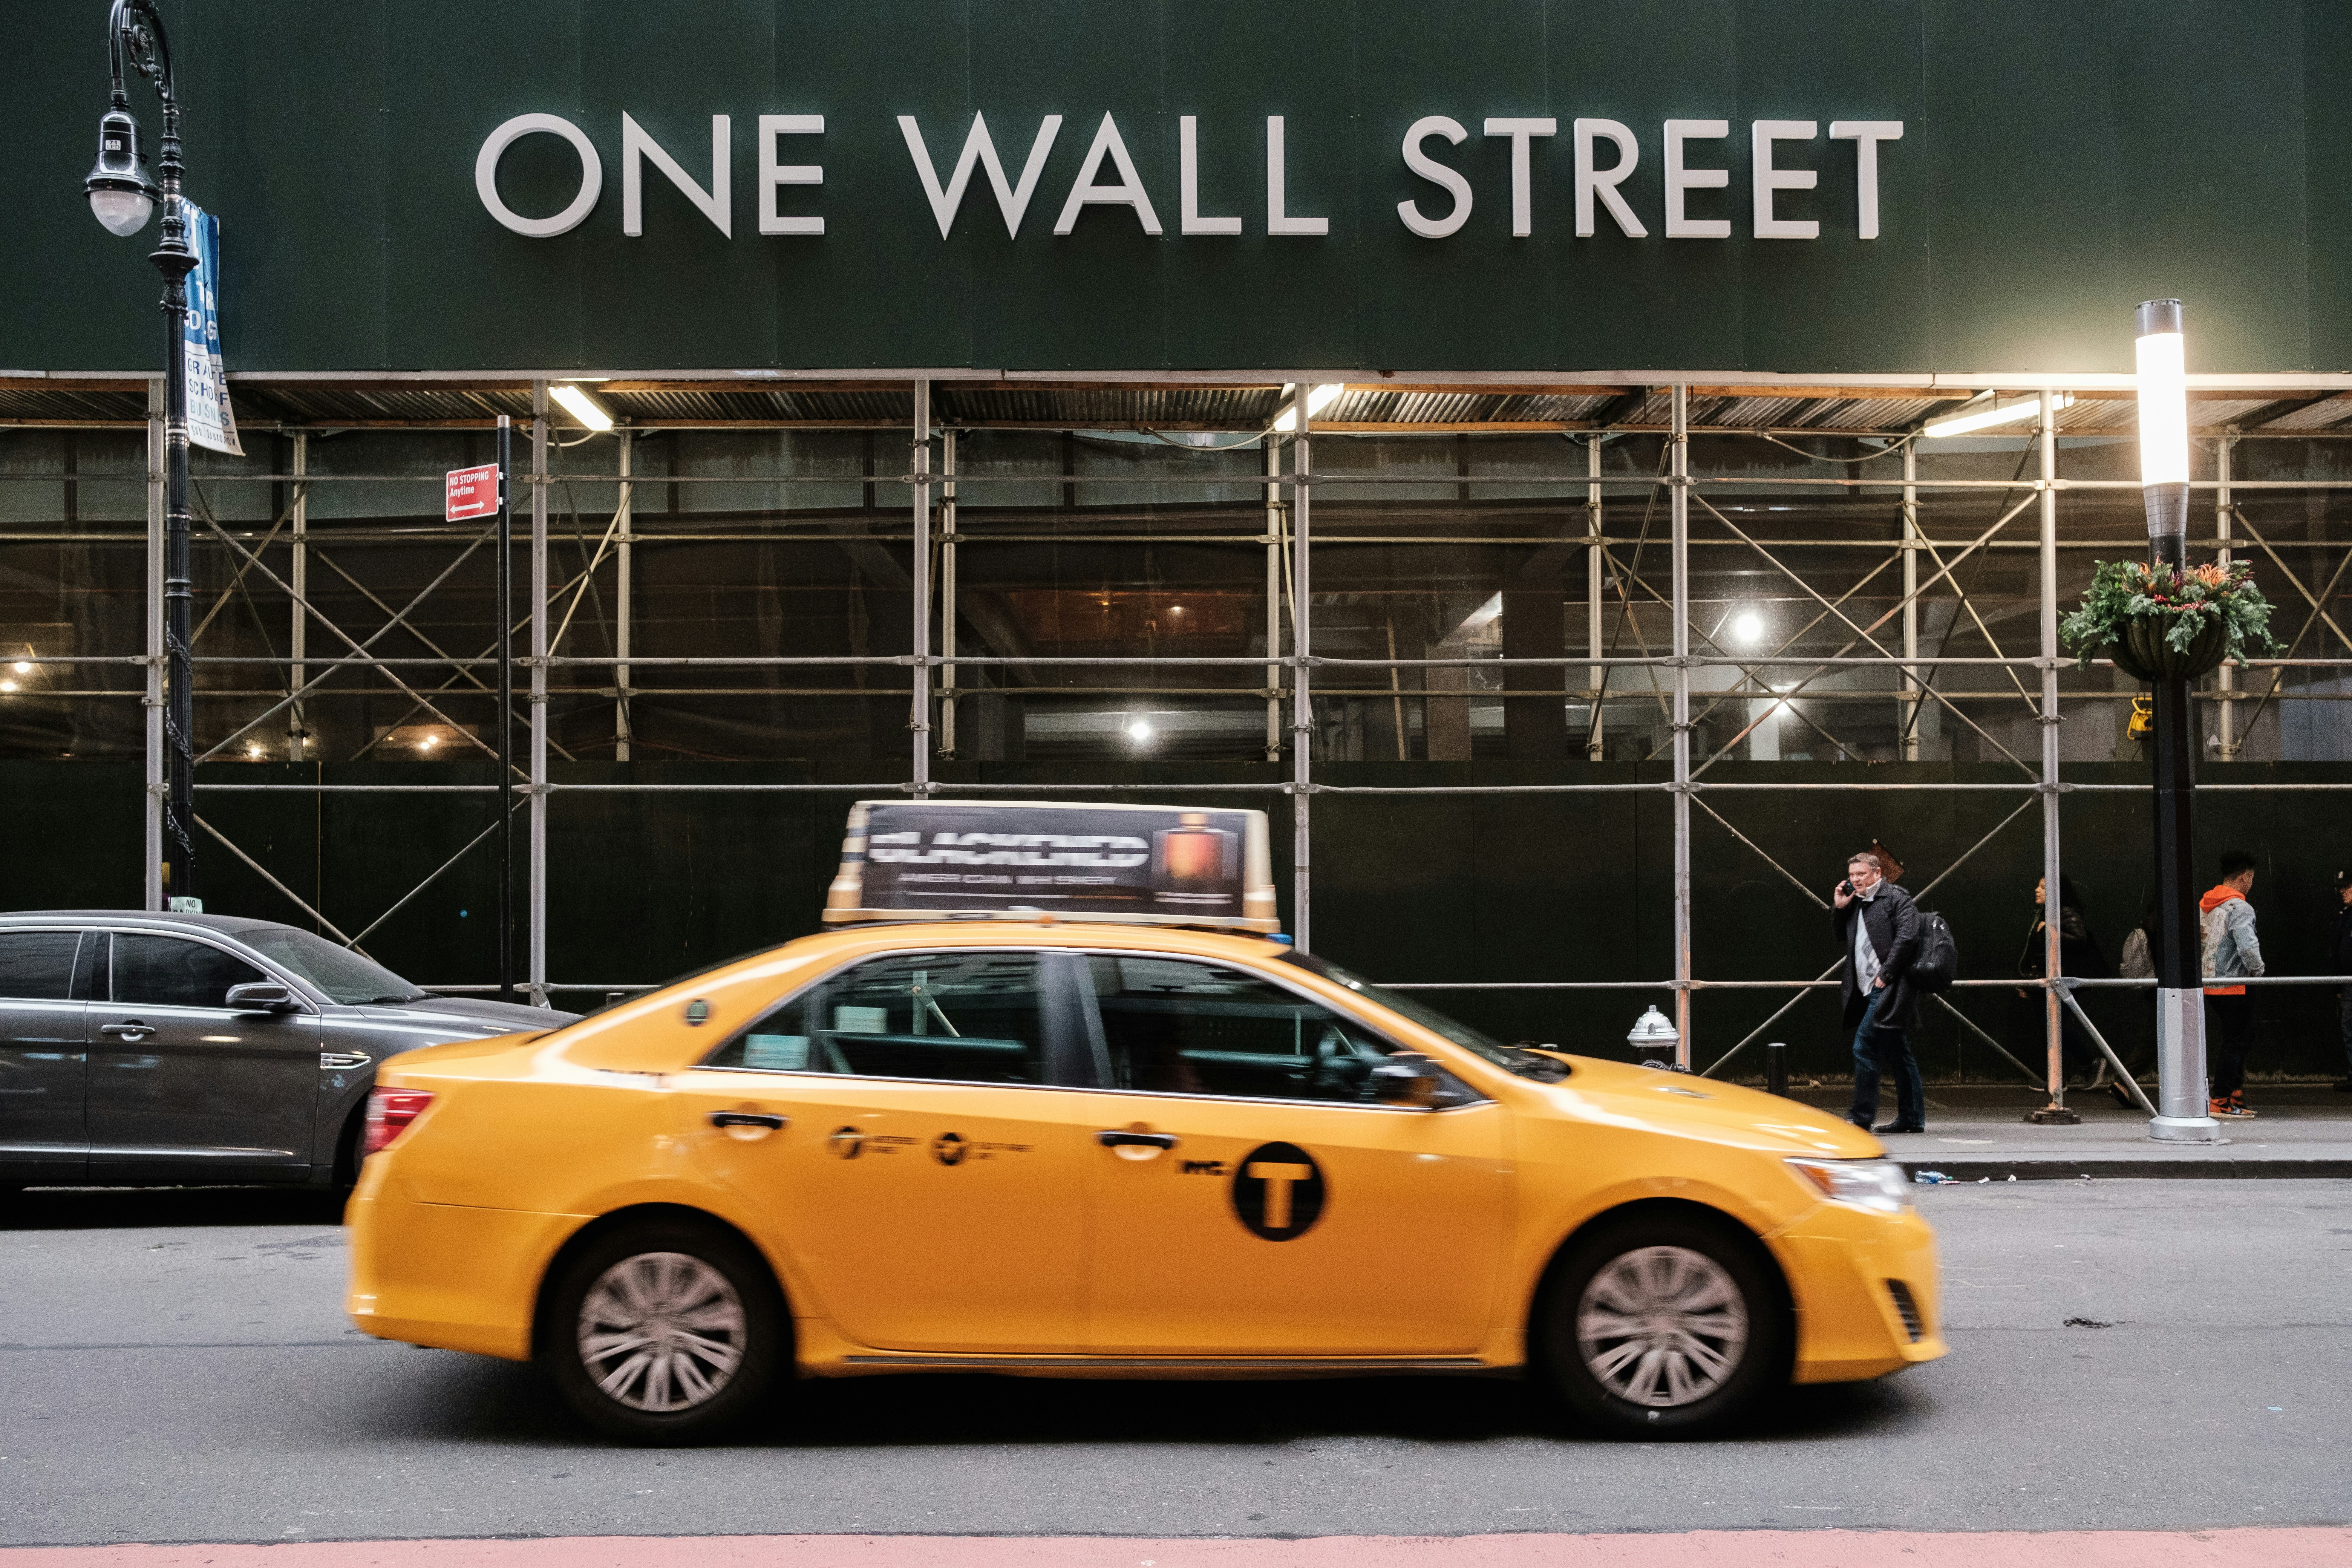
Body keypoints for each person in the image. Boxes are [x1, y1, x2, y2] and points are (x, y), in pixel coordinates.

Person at [1831, 850, 1925, 1134]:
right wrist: (1840, 906)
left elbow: (1908, 938)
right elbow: (1839, 935)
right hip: (1864, 987)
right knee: (1898, 1051)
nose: (1856, 880)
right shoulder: (1856, 903)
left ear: (1877, 874)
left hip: (1888, 987)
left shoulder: (1897, 898)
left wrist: (1887, 975)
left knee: (1864, 1046)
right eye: (1851, 876)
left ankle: (1861, 1118)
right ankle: (1911, 1118)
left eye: (1861, 874)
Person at [2016, 874, 2110, 1089]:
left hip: (2062, 981)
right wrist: (2028, 982)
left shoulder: (2065, 913)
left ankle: (2075, 1071)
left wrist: (2050, 931)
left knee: (2054, 1028)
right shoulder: (2044, 913)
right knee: (2049, 1028)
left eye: (2043, 887)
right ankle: (2067, 1073)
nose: (2037, 891)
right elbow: (2036, 954)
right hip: (2046, 981)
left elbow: (2079, 940)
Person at [2200, 850, 2266, 1119]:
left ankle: (2234, 1092)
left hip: (2209, 981)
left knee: (2238, 1038)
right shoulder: (2240, 908)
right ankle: (2222, 1100)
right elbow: (2248, 948)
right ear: (2246, 877)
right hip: (2235, 984)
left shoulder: (2207, 904)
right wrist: (2258, 971)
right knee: (2236, 1041)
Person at [2333, 870, 2352, 1094]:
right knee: (2349, 1029)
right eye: (2341, 888)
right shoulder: (2344, 915)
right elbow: (2338, 951)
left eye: (2347, 887)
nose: (2343, 892)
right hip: (2347, 983)